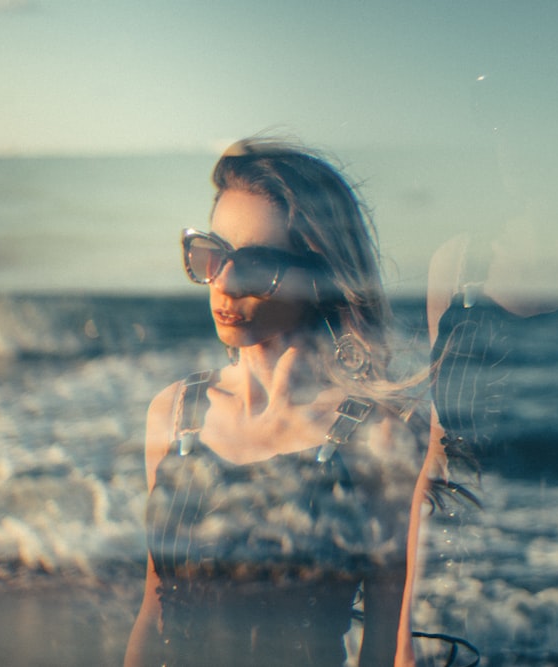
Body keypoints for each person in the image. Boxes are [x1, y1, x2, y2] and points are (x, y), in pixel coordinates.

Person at [124, 139, 429, 667]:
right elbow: (154, 605)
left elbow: (385, 643)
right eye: (212, 255)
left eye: (257, 265)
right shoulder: (173, 415)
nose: (223, 282)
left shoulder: (380, 437)